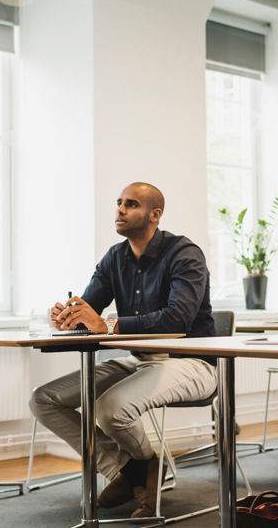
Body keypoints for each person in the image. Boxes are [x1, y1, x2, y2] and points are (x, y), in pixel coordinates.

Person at [29, 182, 217, 519]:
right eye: (118, 203)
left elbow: (179, 317)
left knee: (111, 408)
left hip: (192, 362)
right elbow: (90, 312)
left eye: (130, 204)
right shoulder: (115, 257)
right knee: (43, 399)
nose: (119, 209)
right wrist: (70, 317)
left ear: (154, 215)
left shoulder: (185, 253)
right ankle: (135, 471)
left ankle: (139, 477)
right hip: (138, 361)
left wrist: (110, 324)